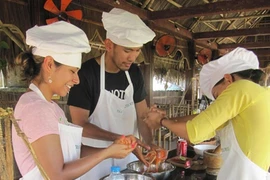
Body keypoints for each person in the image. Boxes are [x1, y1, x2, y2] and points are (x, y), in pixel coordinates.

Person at [12, 21, 137, 180]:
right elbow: (57, 175)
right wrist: (107, 152)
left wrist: (113, 148)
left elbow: (74, 151)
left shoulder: (49, 106)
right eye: (72, 71)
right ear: (49, 64)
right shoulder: (36, 108)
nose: (77, 80)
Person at [145, 47, 270, 179]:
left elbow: (195, 132)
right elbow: (204, 117)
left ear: (228, 79)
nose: (218, 101)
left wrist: (160, 121)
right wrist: (168, 118)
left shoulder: (241, 88)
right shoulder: (255, 94)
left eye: (217, 96)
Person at [67, 8, 157, 179]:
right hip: (94, 160)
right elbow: (80, 125)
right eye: (127, 50)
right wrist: (120, 139)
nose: (133, 57)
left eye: (137, 50)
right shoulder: (86, 74)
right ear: (109, 45)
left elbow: (142, 115)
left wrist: (149, 143)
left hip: (129, 158)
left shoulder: (135, 73)